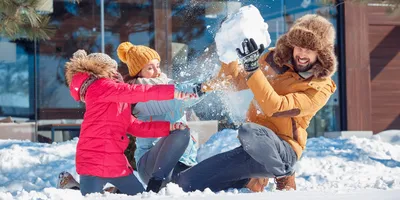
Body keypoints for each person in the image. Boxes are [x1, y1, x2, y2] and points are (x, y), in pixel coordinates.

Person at [176, 14, 337, 192]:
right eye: (299, 47)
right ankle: (249, 182)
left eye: (310, 49)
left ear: (320, 53)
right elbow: (235, 81)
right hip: (252, 148)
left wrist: (253, 68)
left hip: (283, 150)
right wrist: (226, 48)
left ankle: (284, 175)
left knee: (249, 131)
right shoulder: (273, 60)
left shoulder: (320, 86)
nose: (302, 54)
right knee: (187, 182)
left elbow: (276, 108)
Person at [64, 49, 194, 196]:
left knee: (141, 196)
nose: (116, 73)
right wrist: (172, 92)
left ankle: (99, 190)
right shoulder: (100, 86)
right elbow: (136, 91)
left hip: (115, 165)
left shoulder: (115, 98)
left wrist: (169, 127)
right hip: (93, 164)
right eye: (112, 70)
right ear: (101, 71)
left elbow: (135, 126)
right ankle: (73, 188)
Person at [117, 42, 205, 193]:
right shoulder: (137, 95)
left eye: (157, 65)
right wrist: (189, 93)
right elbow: (165, 101)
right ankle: (155, 185)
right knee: (180, 131)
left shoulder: (169, 84)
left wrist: (206, 86)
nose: (157, 71)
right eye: (150, 68)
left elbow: (186, 92)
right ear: (138, 73)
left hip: (182, 162)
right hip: (151, 165)